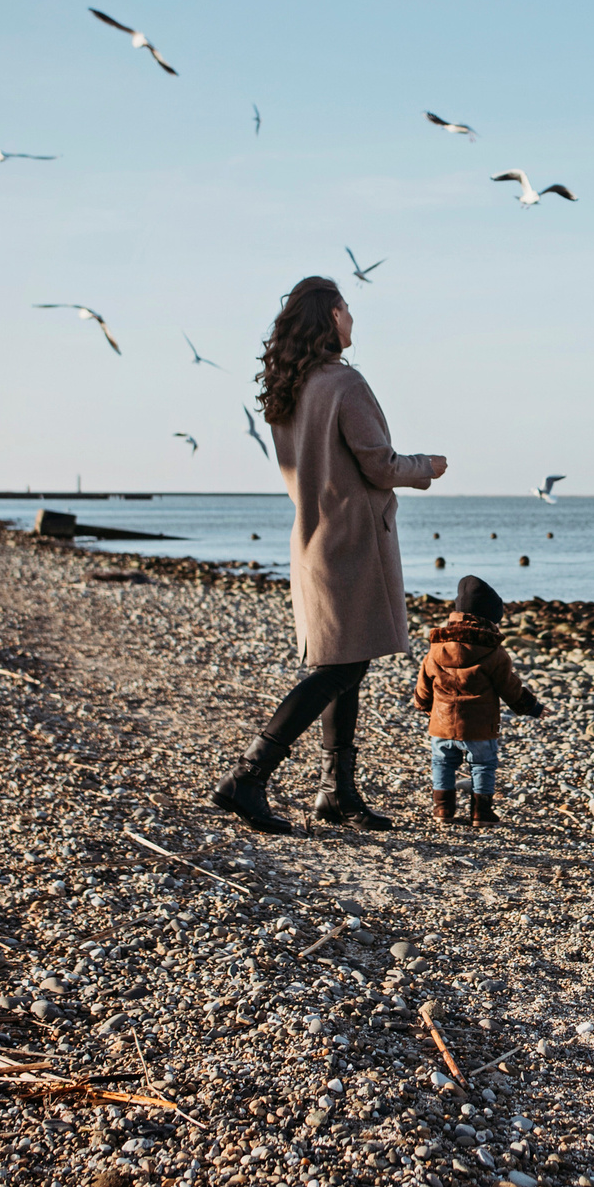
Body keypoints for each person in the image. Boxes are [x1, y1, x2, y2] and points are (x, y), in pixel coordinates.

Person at [212, 276, 445, 834]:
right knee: (339, 667)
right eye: (347, 310)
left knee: (345, 661)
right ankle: (249, 775)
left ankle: (336, 792)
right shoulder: (344, 383)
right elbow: (380, 465)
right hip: (350, 544)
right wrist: (427, 467)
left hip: (313, 538)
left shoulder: (287, 391)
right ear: (330, 317)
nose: (353, 321)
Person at [412, 575, 545, 826]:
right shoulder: (493, 651)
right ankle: (481, 813)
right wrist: (531, 707)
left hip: (442, 723)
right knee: (483, 765)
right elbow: (509, 685)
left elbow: (424, 681)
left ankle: (443, 810)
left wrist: (423, 705)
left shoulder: (437, 647)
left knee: (442, 762)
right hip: (479, 726)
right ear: (490, 618)